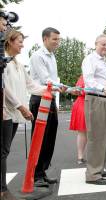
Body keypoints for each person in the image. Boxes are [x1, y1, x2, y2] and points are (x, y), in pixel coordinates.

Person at [29, 27, 65, 186]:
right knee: (39, 138)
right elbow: (46, 80)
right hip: (39, 99)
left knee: (50, 137)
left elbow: (52, 80)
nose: (57, 42)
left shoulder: (52, 56)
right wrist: (63, 86)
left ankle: (42, 172)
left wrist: (60, 87)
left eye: (59, 39)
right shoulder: (38, 56)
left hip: (49, 99)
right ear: (45, 39)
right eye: (54, 39)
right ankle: (35, 175)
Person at [1, 16, 31, 200]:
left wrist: (51, 88)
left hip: (11, 113)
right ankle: (3, 190)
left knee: (4, 151)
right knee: (2, 152)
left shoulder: (18, 64)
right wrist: (21, 107)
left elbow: (31, 84)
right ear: (10, 42)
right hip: (6, 112)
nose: (22, 45)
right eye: (19, 42)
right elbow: (6, 89)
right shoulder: (3, 62)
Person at [82, 34, 106, 185]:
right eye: (104, 44)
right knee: (96, 137)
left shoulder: (104, 62)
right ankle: (93, 174)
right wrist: (103, 88)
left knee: (105, 138)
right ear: (96, 44)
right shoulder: (90, 59)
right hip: (97, 99)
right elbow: (88, 80)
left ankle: (99, 168)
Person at [69, 75, 87, 165]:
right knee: (82, 131)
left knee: (82, 132)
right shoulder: (83, 77)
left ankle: (81, 156)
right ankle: (80, 156)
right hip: (82, 103)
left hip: (84, 103)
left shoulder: (83, 76)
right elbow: (76, 91)